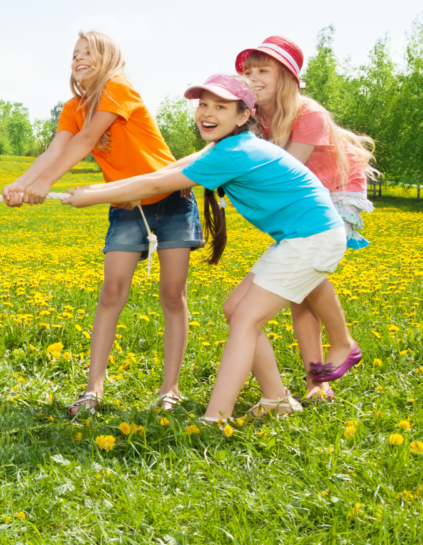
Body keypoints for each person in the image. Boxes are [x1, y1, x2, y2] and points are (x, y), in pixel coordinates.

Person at [62, 74, 351, 422]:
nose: (207, 112)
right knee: (235, 310)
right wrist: (96, 192)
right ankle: (277, 399)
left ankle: (215, 418)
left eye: (220, 106)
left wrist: (92, 197)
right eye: (203, 105)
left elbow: (157, 182)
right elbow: (167, 171)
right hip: (300, 237)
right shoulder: (227, 148)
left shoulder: (235, 152)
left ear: (243, 116)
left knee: (245, 317)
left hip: (313, 238)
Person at [2, 31, 203, 415]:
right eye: (75, 53)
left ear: (109, 57)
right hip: (126, 205)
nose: (79, 58)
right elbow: (57, 148)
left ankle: (170, 388)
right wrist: (22, 183)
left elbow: (88, 139)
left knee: (172, 295)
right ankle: (93, 389)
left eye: (89, 52)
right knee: (111, 293)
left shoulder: (118, 87)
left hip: (172, 200)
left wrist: (45, 183)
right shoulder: (73, 106)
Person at [237, 37, 372, 400]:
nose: (253, 77)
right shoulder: (257, 117)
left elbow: (288, 170)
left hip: (336, 191)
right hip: (304, 199)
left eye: (264, 70)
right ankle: (318, 383)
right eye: (248, 71)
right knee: (299, 293)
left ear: (287, 79)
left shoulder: (308, 113)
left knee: (306, 269)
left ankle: (343, 341)